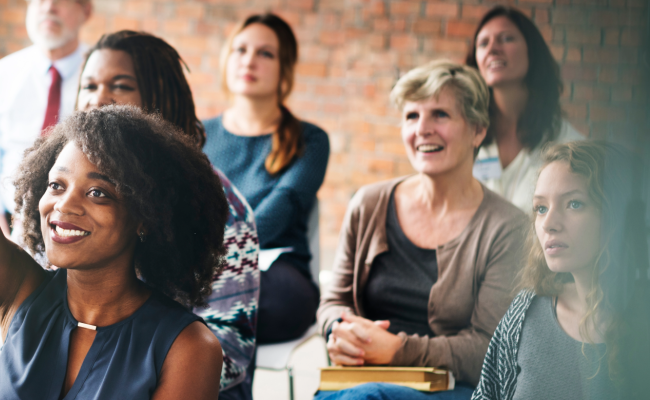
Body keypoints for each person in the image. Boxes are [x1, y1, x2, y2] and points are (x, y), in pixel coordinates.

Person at [0, 1, 223, 399]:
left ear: (146, 216)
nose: (64, 206)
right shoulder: (17, 292)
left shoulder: (187, 347)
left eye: (98, 192)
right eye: (56, 185)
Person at [316, 61, 528, 399]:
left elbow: (489, 348)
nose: (422, 129)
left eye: (440, 115)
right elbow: (334, 301)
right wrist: (340, 333)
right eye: (412, 116)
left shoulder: (508, 228)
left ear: (477, 130)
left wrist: (397, 351)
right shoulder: (368, 204)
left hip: (454, 388)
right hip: (355, 381)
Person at [74, 30, 261, 399]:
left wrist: (114, 379)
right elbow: (19, 305)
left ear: (160, 100)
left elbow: (231, 345)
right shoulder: (56, 194)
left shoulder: (219, 205)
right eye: (89, 85)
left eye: (121, 85)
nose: (98, 100)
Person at [473, 140, 650, 400]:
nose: (548, 224)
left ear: (616, 215)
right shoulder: (525, 310)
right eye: (541, 208)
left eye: (574, 204)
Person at [204, 14, 329, 348]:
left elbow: (276, 214)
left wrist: (209, 258)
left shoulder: (311, 140)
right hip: (201, 266)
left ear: (284, 68)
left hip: (276, 271)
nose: (249, 60)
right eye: (240, 49)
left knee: (231, 300)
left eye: (265, 53)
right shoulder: (197, 134)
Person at [0, 0, 92, 236]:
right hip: (12, 228)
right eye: (39, 0)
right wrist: (0, 236)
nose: (48, 7)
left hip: (81, 226)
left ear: (86, 10)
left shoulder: (100, 78)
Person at [465, 6, 583, 210]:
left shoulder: (567, 143)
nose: (493, 49)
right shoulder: (465, 134)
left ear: (532, 51)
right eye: (483, 43)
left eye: (506, 38)